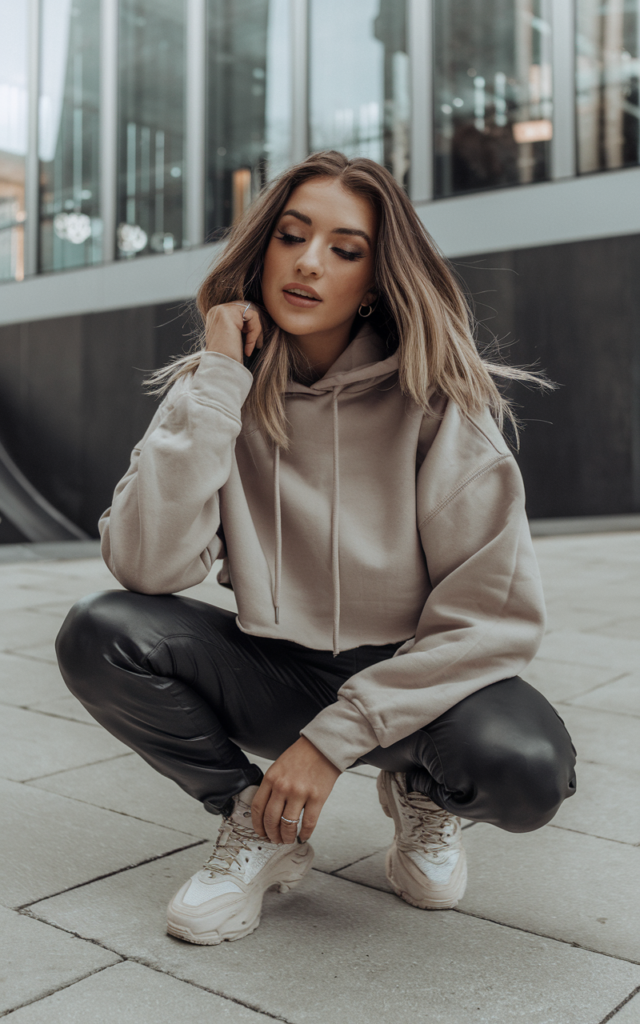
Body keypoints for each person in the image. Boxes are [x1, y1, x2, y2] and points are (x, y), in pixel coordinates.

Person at [56, 150, 576, 947]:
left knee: (528, 769)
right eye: (292, 236)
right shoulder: (216, 388)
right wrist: (220, 379)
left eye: (344, 248)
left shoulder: (437, 402)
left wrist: (332, 744)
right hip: (280, 668)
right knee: (100, 630)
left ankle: (423, 794)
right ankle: (254, 822)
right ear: (262, 248)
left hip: (417, 687)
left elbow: (492, 621)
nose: (307, 263)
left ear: (373, 281)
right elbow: (146, 566)